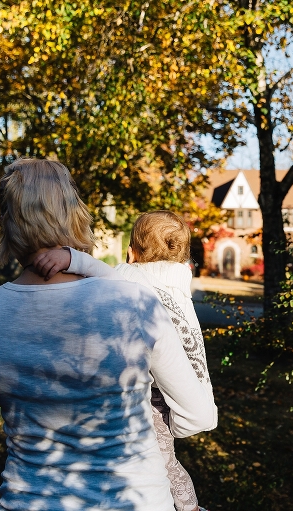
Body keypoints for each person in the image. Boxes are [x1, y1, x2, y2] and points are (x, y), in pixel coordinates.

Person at [0, 159, 216, 511]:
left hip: (27, 500)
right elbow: (200, 415)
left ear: (7, 221)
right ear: (73, 212)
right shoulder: (134, 303)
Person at [31, 211, 213, 511]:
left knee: (164, 461)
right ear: (183, 257)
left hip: (151, 396)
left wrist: (72, 259)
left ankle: (188, 507)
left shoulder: (132, 279)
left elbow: (103, 273)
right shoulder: (181, 287)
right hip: (178, 391)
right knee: (168, 459)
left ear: (132, 254)